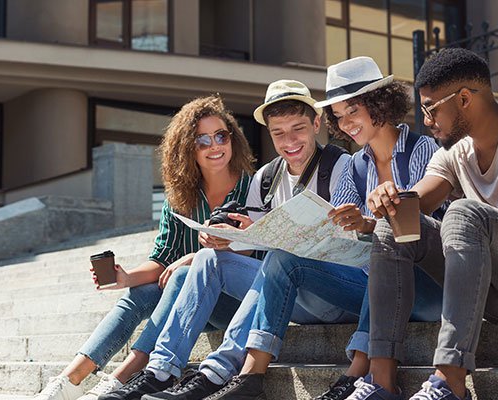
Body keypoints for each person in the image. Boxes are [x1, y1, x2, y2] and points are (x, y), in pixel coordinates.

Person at [170, 56, 445, 400]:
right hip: (363, 285)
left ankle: (357, 374)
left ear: (381, 104)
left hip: (427, 287)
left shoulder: (423, 150)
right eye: (340, 116)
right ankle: (250, 377)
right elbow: (339, 232)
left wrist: (370, 224)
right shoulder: (355, 167)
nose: (346, 124)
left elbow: (430, 229)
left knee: (382, 253)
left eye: (353, 112)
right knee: (284, 258)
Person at [349, 48, 498, 400]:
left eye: (430, 107)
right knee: (394, 224)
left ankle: (449, 381)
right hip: (494, 290)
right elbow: (418, 202)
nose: (426, 120)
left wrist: (489, 222)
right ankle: (381, 380)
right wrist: (389, 198)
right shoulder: (455, 152)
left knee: (463, 212)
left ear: (463, 99)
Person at [98, 79, 351, 400]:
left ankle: (216, 372)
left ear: (317, 123)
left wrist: (272, 239)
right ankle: (160, 370)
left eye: (298, 129)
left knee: (278, 262)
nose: (289, 141)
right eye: (278, 133)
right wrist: (230, 239)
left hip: (330, 293)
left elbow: (347, 242)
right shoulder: (267, 178)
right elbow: (255, 245)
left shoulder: (341, 165)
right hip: (286, 294)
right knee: (206, 259)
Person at [34, 95, 257, 400]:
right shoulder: (180, 199)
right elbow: (163, 259)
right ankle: (70, 379)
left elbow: (260, 253)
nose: (215, 146)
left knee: (180, 277)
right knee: (138, 293)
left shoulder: (254, 187)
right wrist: (125, 278)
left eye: (221, 136)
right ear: (187, 149)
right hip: (189, 305)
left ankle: (123, 377)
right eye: (202, 140)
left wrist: (193, 258)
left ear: (233, 139)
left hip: (237, 302)